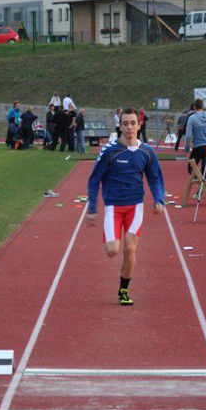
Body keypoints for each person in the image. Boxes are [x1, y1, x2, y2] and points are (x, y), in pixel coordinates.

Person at [86, 107, 165, 306]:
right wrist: (92, 207)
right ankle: (113, 243)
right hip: (113, 207)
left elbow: (155, 178)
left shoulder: (147, 152)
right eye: (125, 123)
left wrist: (158, 199)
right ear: (120, 126)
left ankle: (123, 290)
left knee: (130, 249)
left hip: (135, 207)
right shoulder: (110, 151)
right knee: (113, 250)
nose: (129, 127)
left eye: (132, 123)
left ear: (139, 125)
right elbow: (94, 179)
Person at [185, 99, 206, 175]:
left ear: (194, 107)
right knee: (205, 170)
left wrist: (187, 147)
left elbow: (188, 135)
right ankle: (203, 184)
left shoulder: (192, 118)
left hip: (198, 146)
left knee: (190, 167)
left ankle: (199, 183)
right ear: (203, 106)